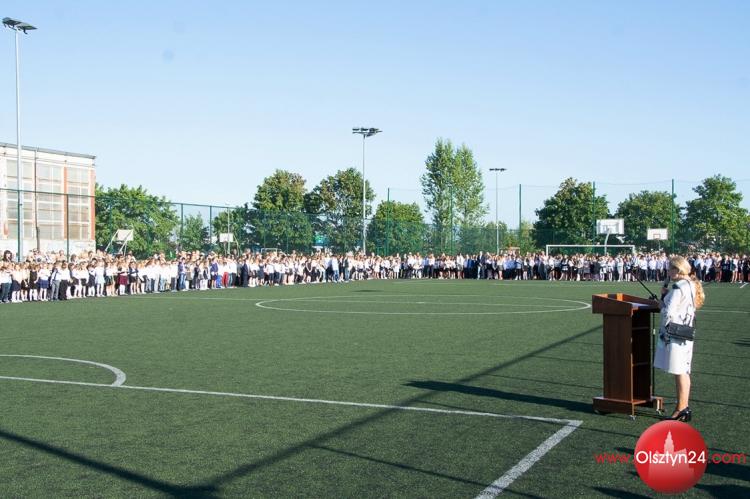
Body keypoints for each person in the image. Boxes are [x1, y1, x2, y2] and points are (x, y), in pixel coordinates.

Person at [654, 255, 705, 422]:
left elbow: (669, 312)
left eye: (670, 269)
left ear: (677, 269)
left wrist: (661, 304)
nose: (668, 272)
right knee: (683, 370)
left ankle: (681, 409)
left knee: (679, 371)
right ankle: (683, 407)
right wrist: (667, 295)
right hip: (686, 331)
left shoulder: (678, 287)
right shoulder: (689, 284)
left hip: (675, 333)